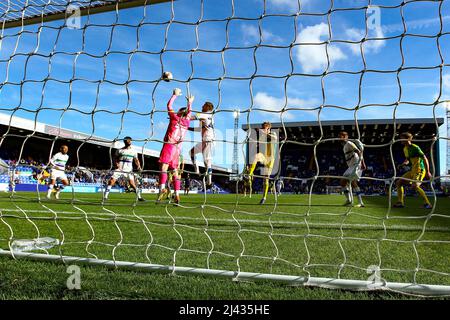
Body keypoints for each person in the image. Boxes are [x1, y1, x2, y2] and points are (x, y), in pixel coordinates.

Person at [157, 88, 194, 205]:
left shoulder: (174, 118)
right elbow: (189, 113)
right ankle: (177, 195)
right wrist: (190, 103)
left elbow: (169, 105)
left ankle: (162, 188)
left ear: (179, 113)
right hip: (178, 150)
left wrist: (174, 95)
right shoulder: (187, 122)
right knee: (176, 173)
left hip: (169, 146)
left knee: (164, 168)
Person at [393, 132, 432, 209]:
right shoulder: (405, 149)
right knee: (399, 182)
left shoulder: (415, 147)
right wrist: (403, 164)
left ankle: (427, 203)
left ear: (408, 139)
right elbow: (408, 160)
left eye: (402, 138)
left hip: (420, 170)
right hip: (412, 170)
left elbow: (425, 158)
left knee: (414, 186)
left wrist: (428, 171)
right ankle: (400, 202)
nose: (401, 140)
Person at [103, 136, 145, 202]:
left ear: (131, 141)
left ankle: (139, 197)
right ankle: (105, 197)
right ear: (124, 141)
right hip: (119, 168)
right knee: (111, 181)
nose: (128, 141)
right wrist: (116, 163)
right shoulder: (120, 150)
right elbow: (114, 158)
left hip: (128, 169)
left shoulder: (133, 151)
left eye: (129, 140)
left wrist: (139, 166)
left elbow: (136, 160)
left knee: (132, 184)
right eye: (127, 140)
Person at [248, 122, 277, 205]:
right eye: (263, 127)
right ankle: (249, 174)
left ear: (268, 128)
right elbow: (259, 144)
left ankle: (264, 197)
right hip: (264, 157)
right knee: (256, 156)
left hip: (271, 159)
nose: (263, 129)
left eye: (265, 127)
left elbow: (274, 138)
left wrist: (265, 134)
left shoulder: (273, 133)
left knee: (266, 179)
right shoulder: (262, 136)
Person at [189, 101, 215, 187]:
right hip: (205, 140)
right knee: (191, 152)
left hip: (208, 140)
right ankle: (197, 171)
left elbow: (191, 117)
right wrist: (187, 127)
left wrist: (179, 117)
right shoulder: (210, 116)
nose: (201, 106)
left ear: (207, 107)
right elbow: (199, 129)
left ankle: (209, 182)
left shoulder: (204, 114)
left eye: (203, 105)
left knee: (207, 162)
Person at [338, 131, 366, 207]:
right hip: (351, 166)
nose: (341, 137)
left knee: (353, 182)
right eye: (340, 136)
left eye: (343, 136)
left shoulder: (349, 143)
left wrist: (363, 163)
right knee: (342, 182)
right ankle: (349, 200)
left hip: (356, 164)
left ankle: (360, 202)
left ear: (347, 137)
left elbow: (359, 152)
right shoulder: (344, 146)